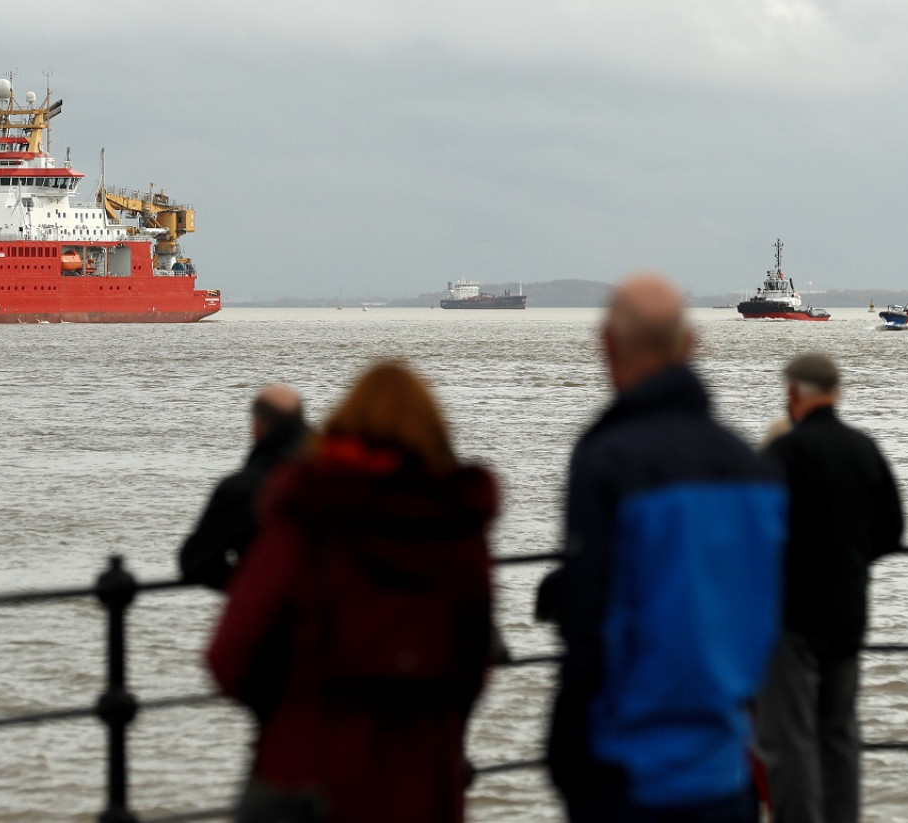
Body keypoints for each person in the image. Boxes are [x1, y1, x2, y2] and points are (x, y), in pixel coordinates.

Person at [206, 361, 497, 823]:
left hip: (306, 771)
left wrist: (285, 712)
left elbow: (230, 656)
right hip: (419, 782)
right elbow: (473, 664)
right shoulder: (458, 529)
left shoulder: (306, 515)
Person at [543, 273, 786, 822]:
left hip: (629, 773)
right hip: (726, 767)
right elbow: (765, 615)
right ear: (690, 345)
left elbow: (589, 622)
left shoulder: (607, 461)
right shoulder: (754, 470)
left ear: (607, 344)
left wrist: (564, 753)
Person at [755, 353, 904, 823]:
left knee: (793, 738)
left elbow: (754, 533)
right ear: (837, 392)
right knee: (839, 733)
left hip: (794, 617)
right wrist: (853, 561)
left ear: (793, 393)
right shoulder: (865, 448)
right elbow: (893, 529)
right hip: (848, 613)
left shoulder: (784, 454)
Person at [178, 383, 309, 589]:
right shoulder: (341, 477)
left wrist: (253, 588)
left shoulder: (241, 489)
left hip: (273, 612)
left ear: (256, 427)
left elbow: (195, 561)